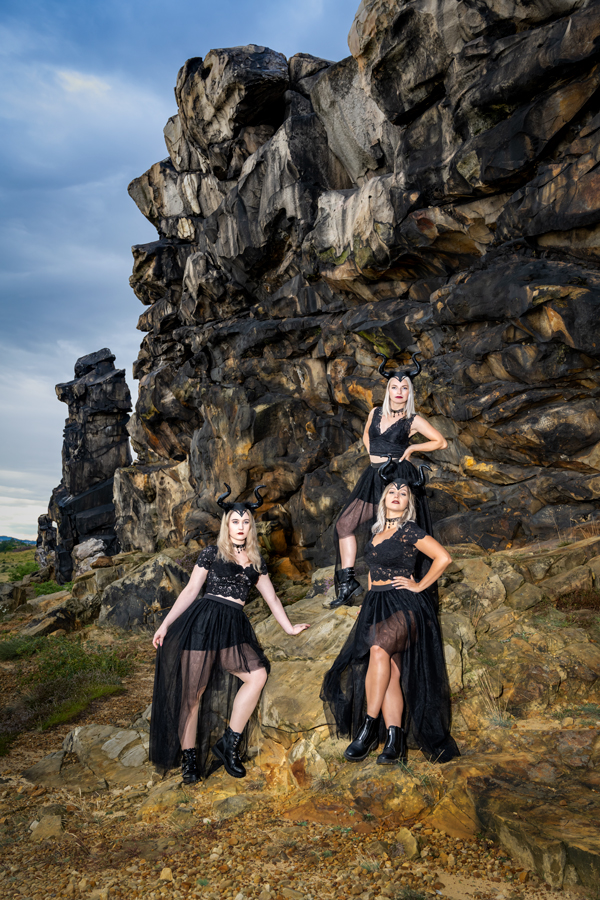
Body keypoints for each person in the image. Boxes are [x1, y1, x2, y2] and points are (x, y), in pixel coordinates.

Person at [149, 484, 310, 784]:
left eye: (245, 521)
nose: (240, 526)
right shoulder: (212, 553)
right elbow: (190, 591)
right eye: (235, 521)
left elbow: (272, 599)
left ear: (251, 526)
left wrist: (289, 628)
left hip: (233, 627)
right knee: (192, 694)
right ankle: (189, 761)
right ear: (227, 524)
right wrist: (165, 625)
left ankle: (230, 744)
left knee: (257, 675)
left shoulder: (256, 564)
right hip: (204, 623)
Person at [321, 468, 459, 765]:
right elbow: (372, 572)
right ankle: (394, 742)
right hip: (376, 603)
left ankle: (368, 729)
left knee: (378, 650)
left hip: (405, 603)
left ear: (409, 503)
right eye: (392, 492)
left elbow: (443, 557)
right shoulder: (376, 532)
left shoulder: (409, 530)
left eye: (403, 493)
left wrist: (420, 585)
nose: (397, 496)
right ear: (384, 499)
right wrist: (367, 603)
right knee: (391, 672)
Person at [332, 352, 448, 609]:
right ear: (388, 390)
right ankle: (348, 582)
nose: (399, 391)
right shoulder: (374, 412)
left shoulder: (412, 420)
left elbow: (441, 441)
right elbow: (366, 436)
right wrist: (375, 458)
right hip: (373, 475)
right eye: (394, 387)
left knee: (397, 531)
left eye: (404, 388)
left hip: (397, 477)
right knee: (344, 525)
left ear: (409, 393)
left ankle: (405, 586)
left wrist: (412, 450)